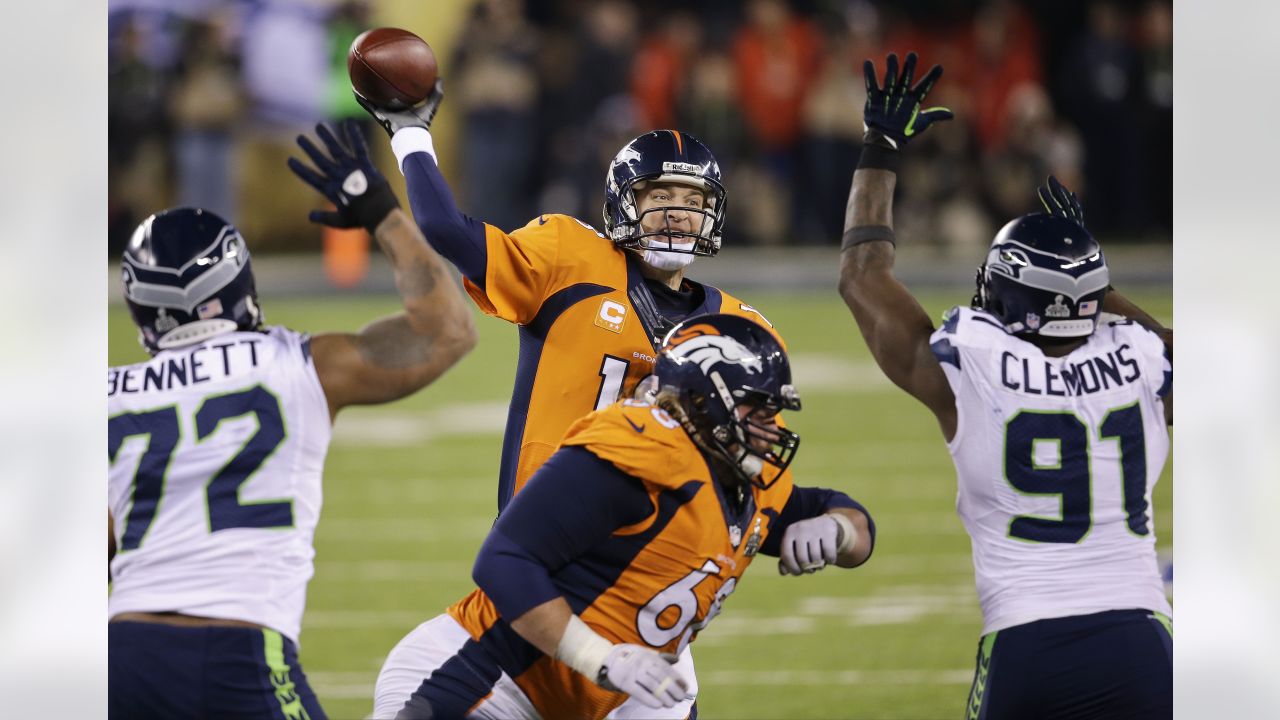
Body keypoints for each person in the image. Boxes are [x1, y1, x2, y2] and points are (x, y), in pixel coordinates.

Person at [355, 77, 787, 716]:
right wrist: (410, 131)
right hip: (545, 569)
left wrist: (823, 521)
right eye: (657, 195)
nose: (674, 212)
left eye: (691, 199)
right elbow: (447, 229)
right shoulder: (569, 257)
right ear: (622, 203)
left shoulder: (742, 332)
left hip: (648, 603)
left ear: (714, 212)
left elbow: (754, 480)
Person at [836, 53, 1172, 719]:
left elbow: (862, 276)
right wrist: (1087, 270)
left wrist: (879, 147)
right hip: (1141, 639)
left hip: (1028, 642)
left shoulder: (975, 362)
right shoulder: (1144, 355)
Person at [108, 120, 477, 720]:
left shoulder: (107, 396)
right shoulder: (296, 365)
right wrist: (380, 210)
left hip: (120, 654)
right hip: (237, 648)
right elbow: (449, 331)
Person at [370, 314, 876, 719]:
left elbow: (850, 523)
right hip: (487, 678)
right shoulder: (641, 454)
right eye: (755, 411)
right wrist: (602, 658)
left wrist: (837, 528)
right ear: (702, 403)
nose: (771, 428)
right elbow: (503, 561)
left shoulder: (750, 478)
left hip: (616, 695)